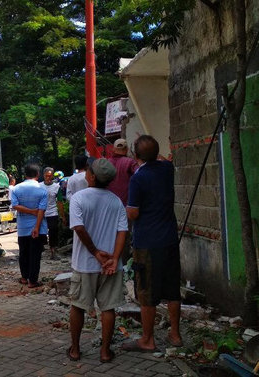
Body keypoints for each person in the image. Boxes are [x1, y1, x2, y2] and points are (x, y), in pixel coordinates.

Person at [123, 135, 182, 352]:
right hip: (169, 240)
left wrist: (125, 211)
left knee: (147, 292)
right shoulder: (168, 170)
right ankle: (175, 335)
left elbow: (134, 212)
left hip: (147, 243)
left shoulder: (138, 179)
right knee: (173, 289)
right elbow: (166, 159)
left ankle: (147, 339)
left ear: (135, 155)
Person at [67, 158, 128, 363]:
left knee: (77, 306)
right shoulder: (116, 200)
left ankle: (75, 349)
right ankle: (104, 352)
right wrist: (114, 259)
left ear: (91, 176)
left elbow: (79, 228)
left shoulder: (79, 198)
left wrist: (94, 252)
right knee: (108, 308)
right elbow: (122, 232)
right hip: (110, 266)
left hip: (85, 264)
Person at [11, 164, 48, 288]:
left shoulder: (16, 189)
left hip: (22, 228)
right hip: (38, 227)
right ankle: (33, 281)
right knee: (35, 255)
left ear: (25, 174)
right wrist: (36, 227)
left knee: (24, 253)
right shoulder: (42, 190)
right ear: (38, 175)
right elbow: (41, 211)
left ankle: (23, 277)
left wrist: (28, 211)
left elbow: (15, 205)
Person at [41, 167, 66, 260]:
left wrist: (62, 216)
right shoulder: (39, 186)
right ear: (43, 176)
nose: (48, 178)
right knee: (41, 233)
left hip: (52, 213)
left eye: (50, 176)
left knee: (53, 232)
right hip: (41, 213)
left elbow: (59, 202)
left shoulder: (56, 187)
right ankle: (40, 250)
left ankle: (53, 252)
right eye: (46, 176)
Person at [107, 138, 139, 205]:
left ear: (114, 149)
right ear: (126, 149)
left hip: (109, 203)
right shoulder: (130, 162)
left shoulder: (106, 162)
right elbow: (139, 176)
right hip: (126, 203)